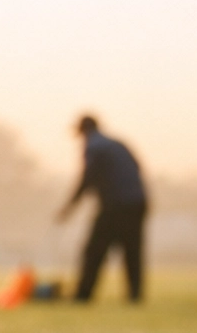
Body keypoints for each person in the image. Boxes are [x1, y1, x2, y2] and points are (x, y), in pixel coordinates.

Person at [56, 114, 148, 302]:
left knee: (94, 250)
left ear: (83, 131)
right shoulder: (117, 144)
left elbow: (87, 179)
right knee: (132, 251)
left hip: (116, 204)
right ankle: (135, 295)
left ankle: (84, 293)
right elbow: (136, 168)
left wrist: (69, 208)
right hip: (137, 201)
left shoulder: (94, 147)